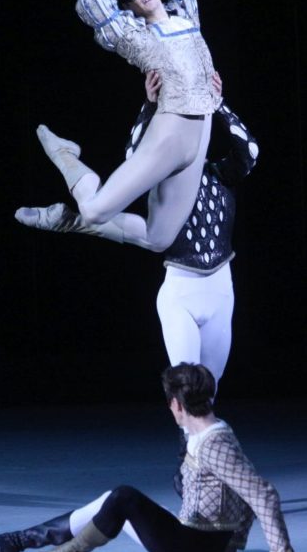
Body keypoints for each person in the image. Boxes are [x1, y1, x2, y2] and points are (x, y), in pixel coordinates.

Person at [17, 70, 259, 389]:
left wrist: (219, 104)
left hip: (220, 290)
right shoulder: (166, 180)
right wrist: (149, 105)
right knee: (187, 386)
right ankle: (70, 192)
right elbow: (135, 157)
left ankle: (71, 210)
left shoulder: (221, 175)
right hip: (181, 292)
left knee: (208, 390)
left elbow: (250, 151)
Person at [0, 363, 294, 552]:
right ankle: (15, 541)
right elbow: (245, 490)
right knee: (111, 503)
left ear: (175, 404)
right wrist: (232, 546)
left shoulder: (214, 442)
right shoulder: (208, 433)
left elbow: (261, 493)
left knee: (123, 497)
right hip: (197, 544)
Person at [32, 0, 222, 254]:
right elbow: (93, 4)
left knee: (158, 238)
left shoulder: (187, 16)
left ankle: (67, 220)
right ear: (130, 6)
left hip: (202, 130)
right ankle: (66, 156)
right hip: (172, 131)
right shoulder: (136, 36)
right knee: (95, 208)